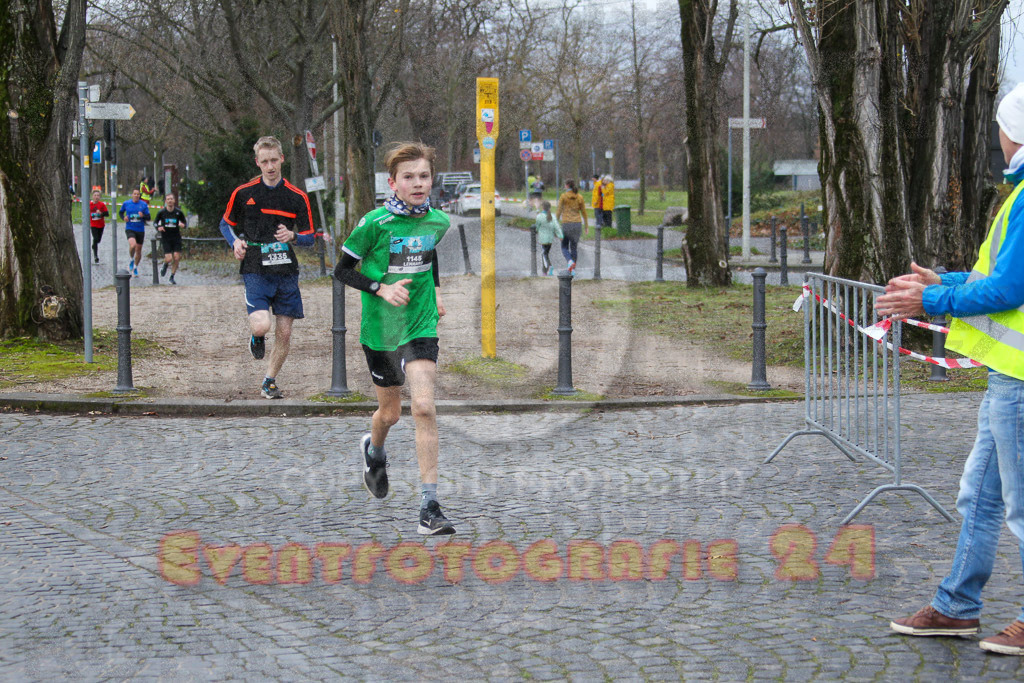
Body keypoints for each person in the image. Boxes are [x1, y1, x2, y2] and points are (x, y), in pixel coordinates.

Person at [880, 81, 1024, 656]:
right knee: (980, 496)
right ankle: (956, 605)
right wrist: (947, 282)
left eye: (1001, 126)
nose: (998, 136)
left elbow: (1010, 288)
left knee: (1018, 504)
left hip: (1019, 380)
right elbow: (1000, 278)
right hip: (1008, 377)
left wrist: (930, 301)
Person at [334, 141, 455, 536]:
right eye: (409, 177)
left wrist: (434, 295)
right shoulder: (374, 224)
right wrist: (380, 288)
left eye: (424, 176)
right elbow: (342, 270)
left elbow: (428, 255)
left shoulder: (438, 221)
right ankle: (374, 451)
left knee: (423, 407)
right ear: (393, 182)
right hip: (381, 330)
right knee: (389, 413)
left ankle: (429, 507)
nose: (418, 184)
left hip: (419, 325)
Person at [219, 135, 316, 399]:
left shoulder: (296, 197)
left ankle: (269, 381)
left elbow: (310, 237)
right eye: (265, 161)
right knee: (262, 326)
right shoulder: (244, 193)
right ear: (257, 163)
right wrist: (235, 242)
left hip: (286, 272)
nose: (270, 166)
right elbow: (225, 223)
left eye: (274, 160)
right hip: (255, 268)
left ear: (282, 159)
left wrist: (293, 237)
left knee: (284, 332)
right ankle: (256, 337)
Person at [556, 179, 589, 276]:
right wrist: (586, 226)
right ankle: (573, 270)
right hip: (577, 224)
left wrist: (555, 223)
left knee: (564, 246)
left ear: (566, 186)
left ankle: (569, 261)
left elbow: (558, 211)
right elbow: (584, 213)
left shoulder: (563, 197)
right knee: (574, 247)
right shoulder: (579, 197)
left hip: (566, 224)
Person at [155, 193, 187, 284]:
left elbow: (185, 223)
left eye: (171, 199)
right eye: (168, 199)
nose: (170, 201)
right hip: (166, 238)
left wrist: (183, 225)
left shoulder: (178, 212)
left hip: (176, 237)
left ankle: (172, 276)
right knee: (169, 258)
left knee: (177, 258)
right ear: (165, 201)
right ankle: (165, 265)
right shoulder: (161, 212)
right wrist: (158, 227)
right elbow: (155, 223)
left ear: (174, 201)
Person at [118, 188, 150, 278]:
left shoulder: (143, 205)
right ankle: (132, 259)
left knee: (138, 251)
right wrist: (123, 218)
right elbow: (120, 213)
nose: (136, 195)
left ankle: (135, 267)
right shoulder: (126, 203)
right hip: (130, 228)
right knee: (133, 245)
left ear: (139, 196)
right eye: (135, 194)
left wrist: (142, 216)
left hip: (140, 230)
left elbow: (149, 217)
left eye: (138, 194)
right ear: (132, 195)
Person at [534, 200, 563, 276]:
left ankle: (549, 267)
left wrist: (536, 231)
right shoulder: (552, 216)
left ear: (542, 207)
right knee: (545, 254)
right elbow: (557, 227)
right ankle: (545, 271)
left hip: (543, 239)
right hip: (550, 239)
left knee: (544, 254)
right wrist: (560, 236)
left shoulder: (540, 216)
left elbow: (537, 226)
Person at [88, 189, 108, 264]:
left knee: (98, 240)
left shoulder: (102, 205)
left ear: (100, 197)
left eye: (98, 196)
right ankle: (96, 256)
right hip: (93, 225)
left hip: (101, 225)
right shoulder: (89, 204)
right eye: (95, 195)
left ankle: (94, 245)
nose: (96, 197)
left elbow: (107, 213)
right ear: (92, 196)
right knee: (95, 238)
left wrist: (101, 213)